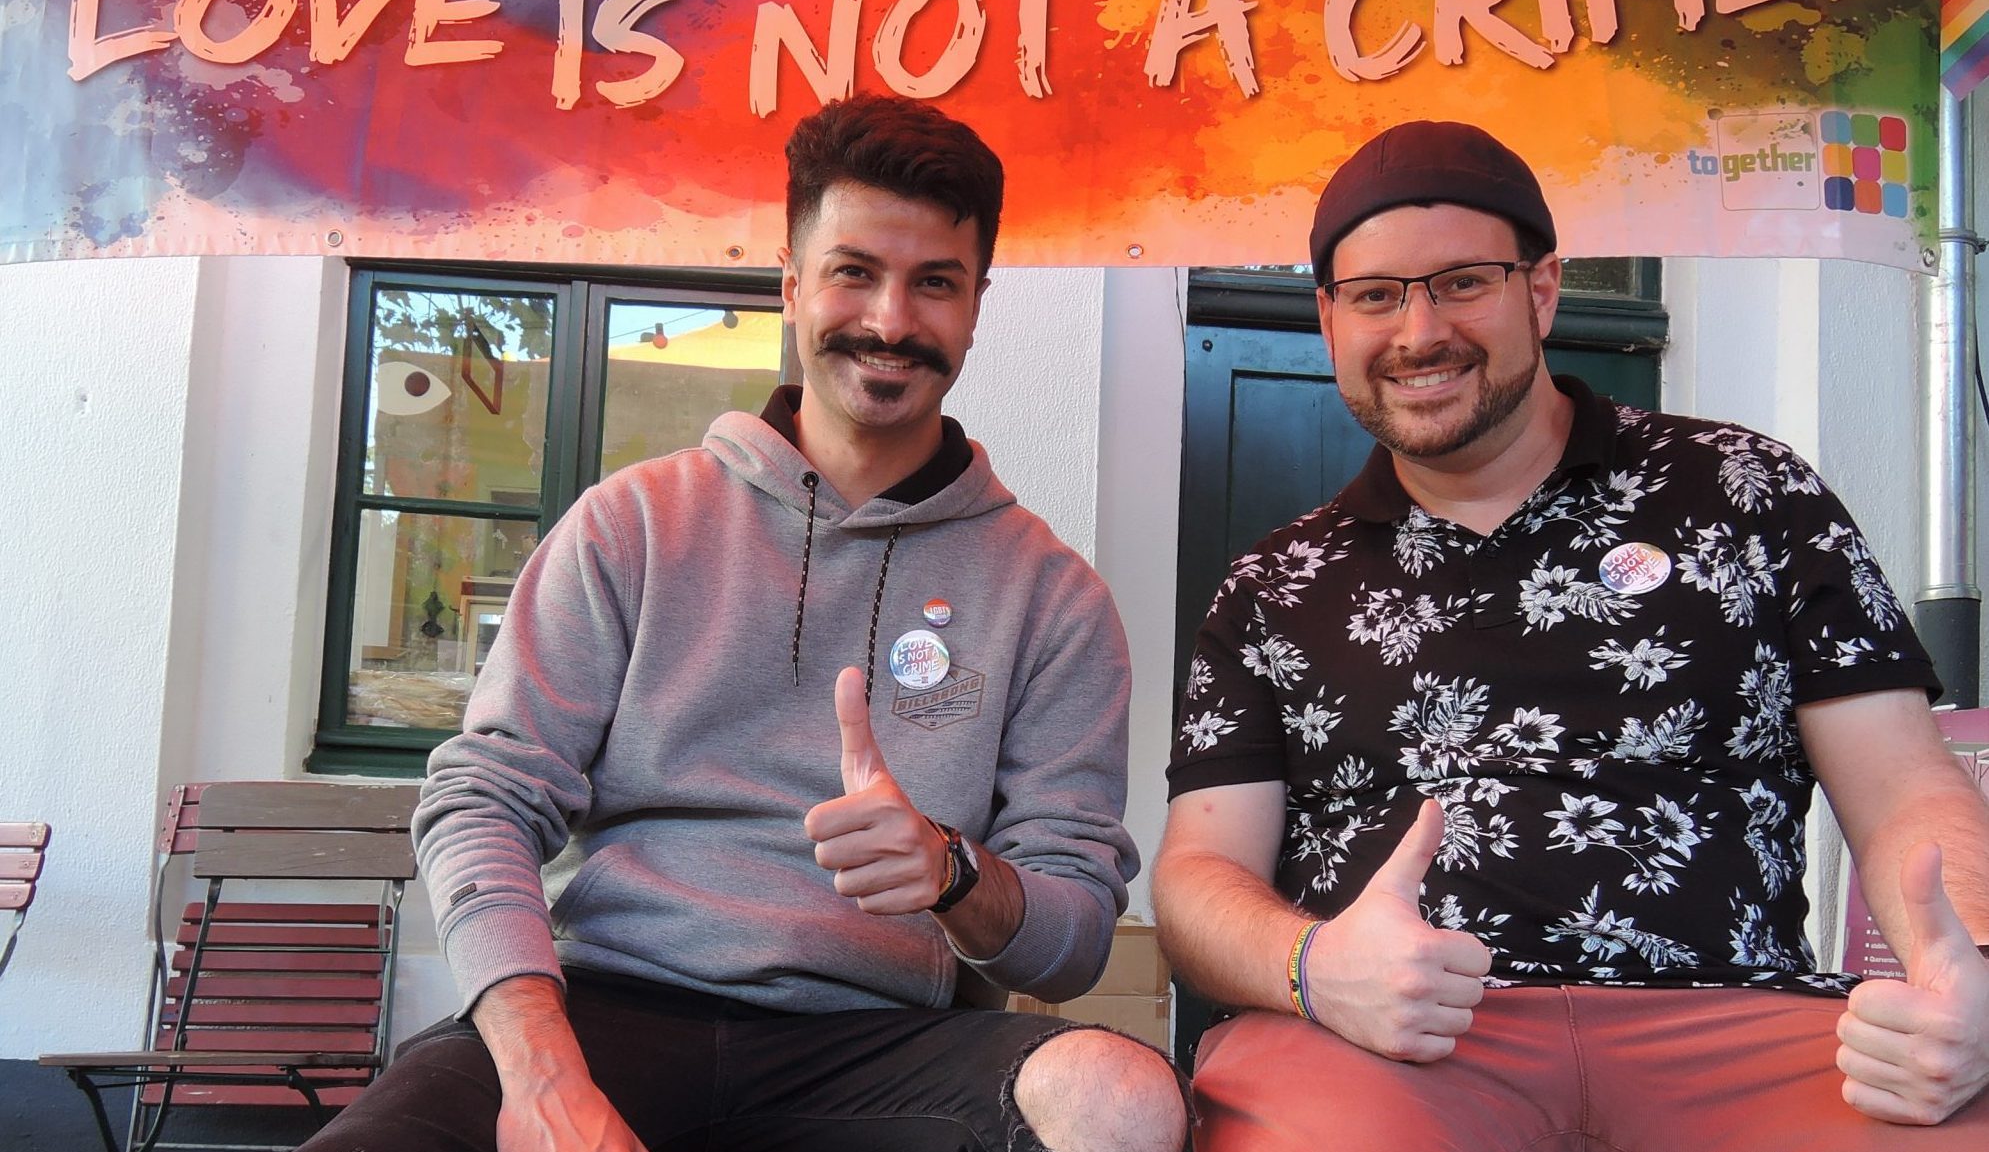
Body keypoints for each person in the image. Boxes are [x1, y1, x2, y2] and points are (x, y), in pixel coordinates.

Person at [303, 94, 1186, 1152]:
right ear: (791, 284)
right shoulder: (633, 524)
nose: (891, 321)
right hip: (601, 1014)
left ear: (975, 305)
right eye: (854, 271)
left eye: (934, 282)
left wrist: (952, 870)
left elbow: (1074, 942)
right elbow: (484, 797)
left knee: (1126, 1101)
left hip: (882, 1045)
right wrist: (541, 1071)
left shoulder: (1055, 599)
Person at [1152, 120, 1989, 1149]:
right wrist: (1310, 965)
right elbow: (1197, 879)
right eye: (1374, 296)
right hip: (1391, 1047)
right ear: (1329, 319)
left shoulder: (1749, 493)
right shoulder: (1275, 585)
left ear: (1542, 290)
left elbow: (1904, 785)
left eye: (1463, 282)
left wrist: (1971, 972)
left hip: (1737, 1022)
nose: (1419, 331)